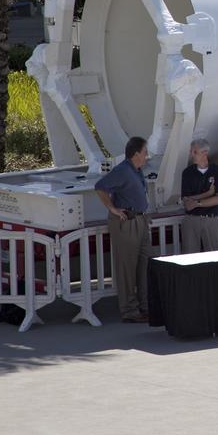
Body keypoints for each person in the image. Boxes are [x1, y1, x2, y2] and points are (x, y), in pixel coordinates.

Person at [94, 136, 155, 323]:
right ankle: (129, 311)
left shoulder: (137, 171)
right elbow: (100, 187)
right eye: (145, 152)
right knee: (127, 268)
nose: (147, 156)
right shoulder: (122, 170)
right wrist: (112, 208)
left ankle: (145, 306)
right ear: (136, 153)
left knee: (145, 264)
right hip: (127, 223)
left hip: (140, 220)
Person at [179, 138, 218, 253]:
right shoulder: (187, 173)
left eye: (195, 152)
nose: (191, 154)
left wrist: (196, 203)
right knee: (189, 258)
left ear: (205, 153)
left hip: (211, 220)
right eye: (192, 151)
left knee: (213, 257)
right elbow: (186, 202)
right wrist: (208, 194)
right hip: (191, 220)